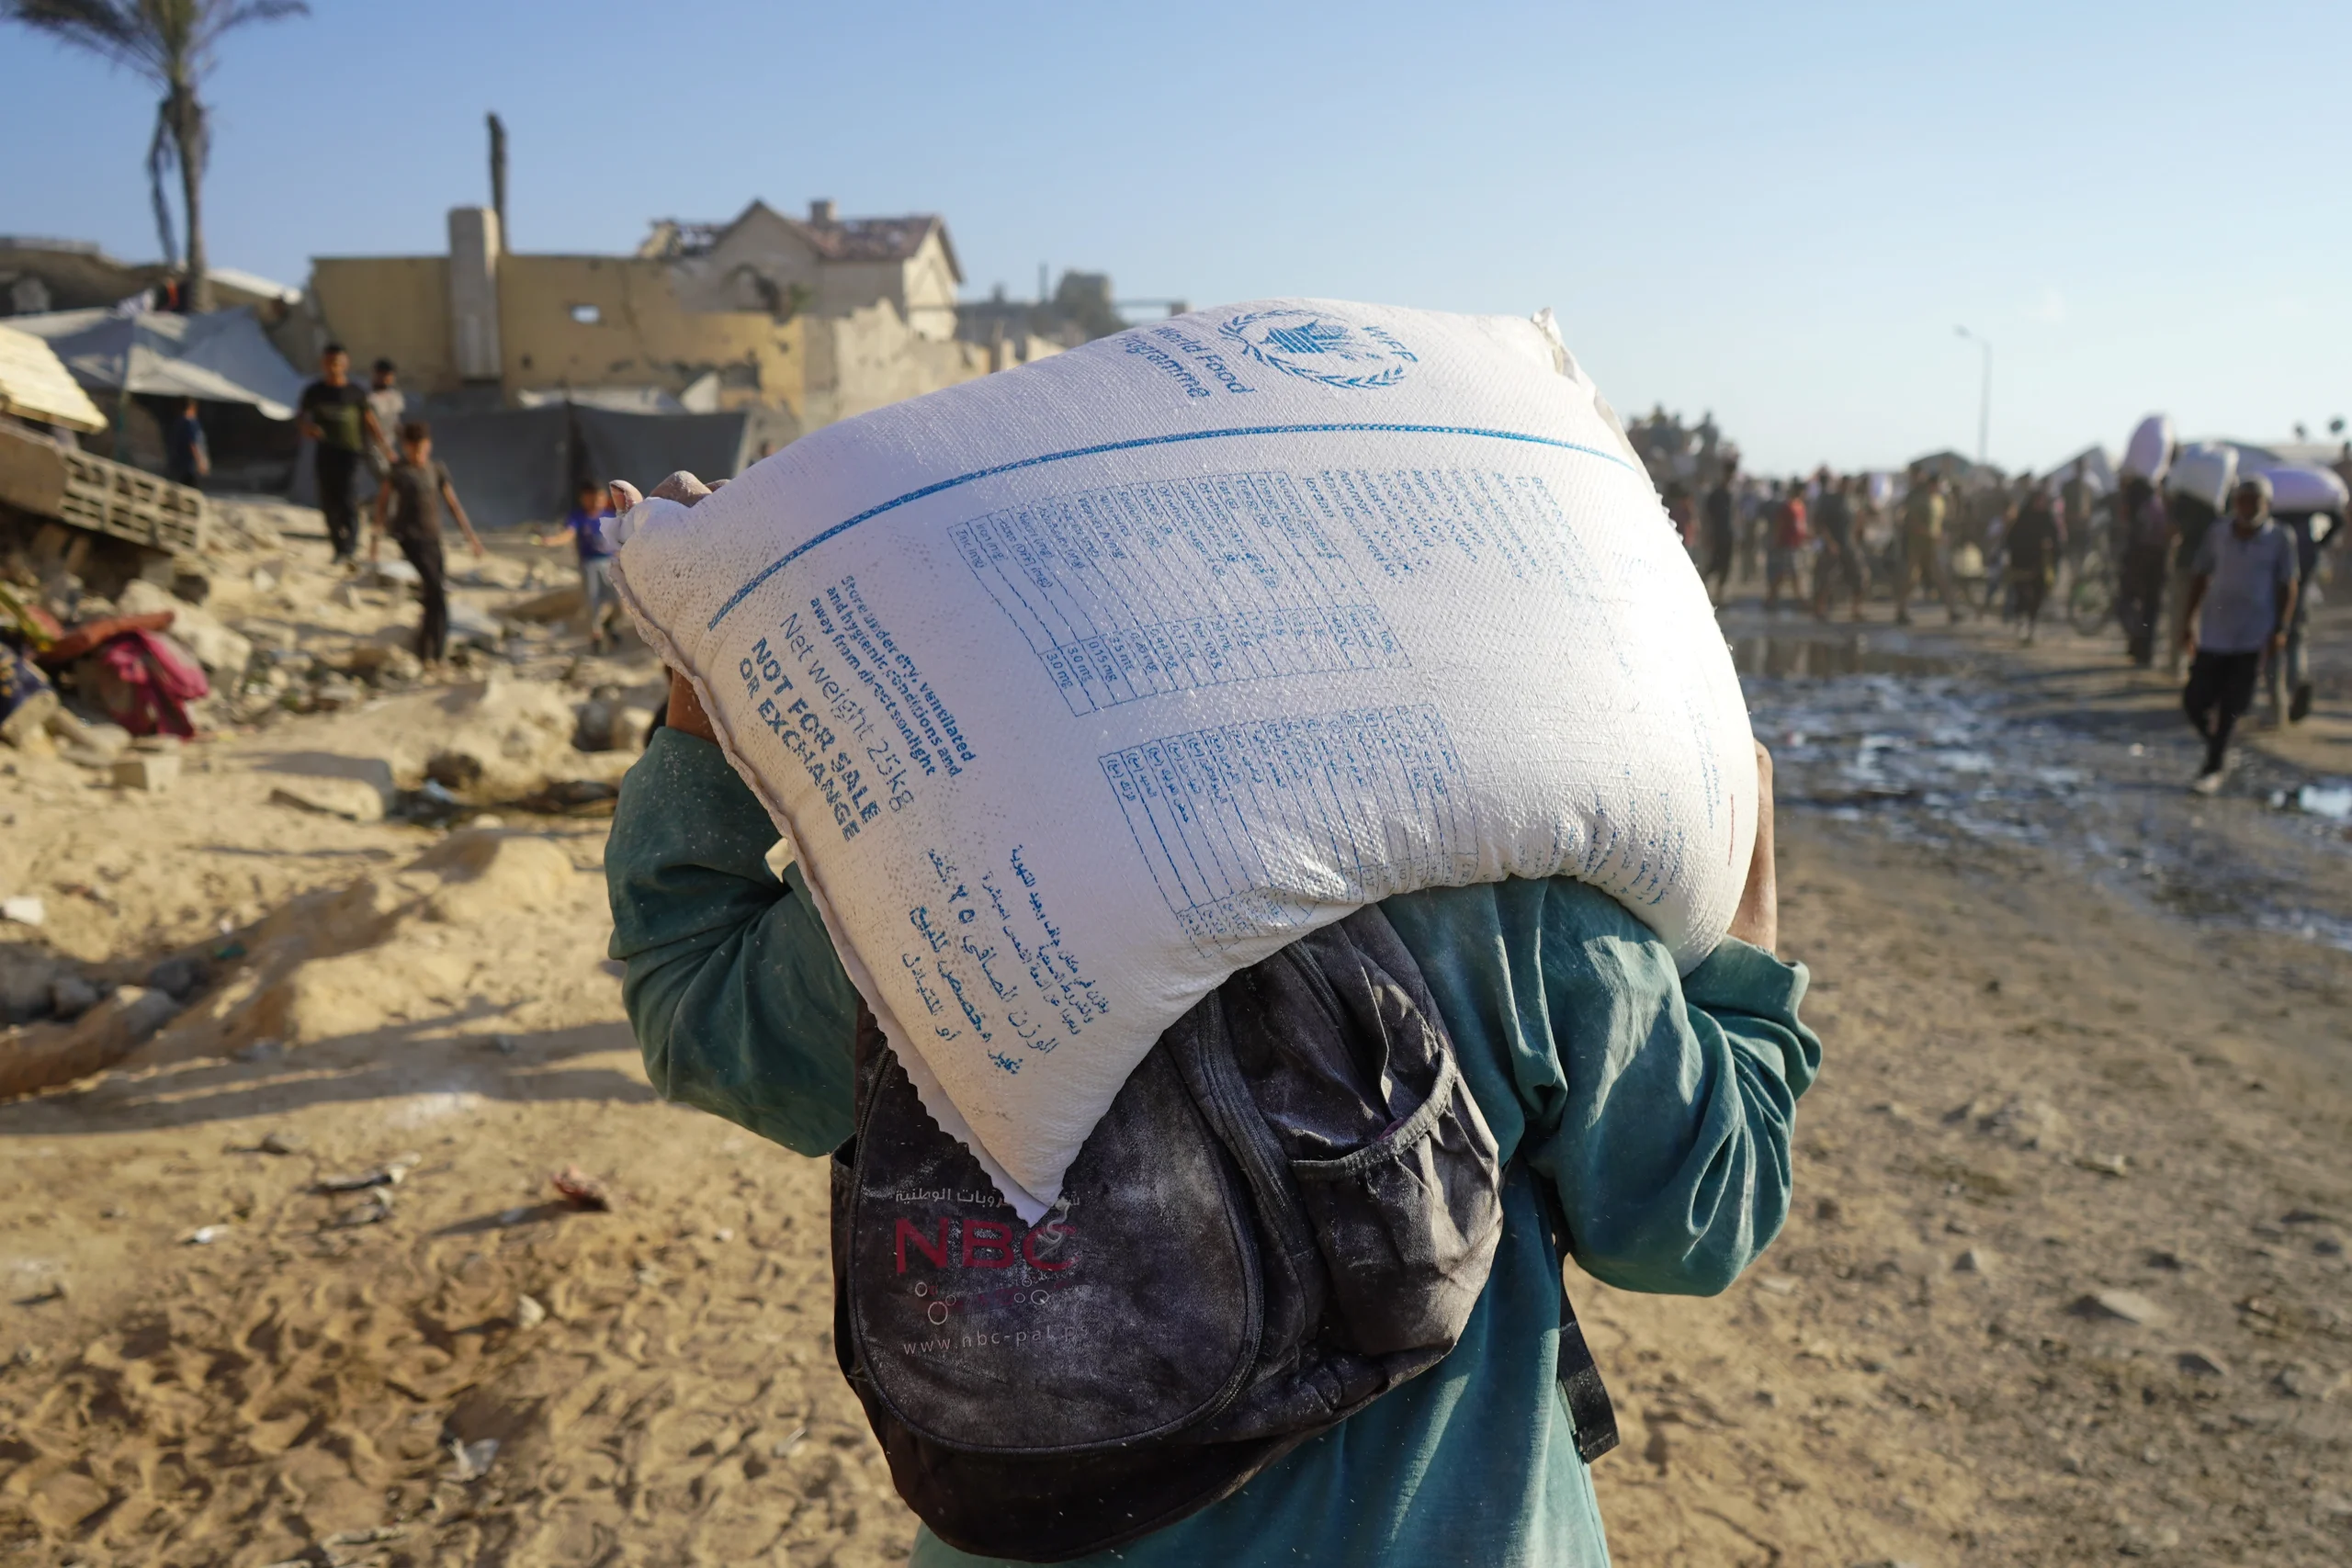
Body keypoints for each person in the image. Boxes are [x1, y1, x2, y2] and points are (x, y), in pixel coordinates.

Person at [605, 476, 1821, 1568]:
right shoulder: (1518, 900)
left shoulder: (944, 873)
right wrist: (1743, 967)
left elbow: (700, 1020)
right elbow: (1691, 1225)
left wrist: (705, 691)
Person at [2178, 475, 2297, 793]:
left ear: (2266, 505)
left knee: (2233, 703)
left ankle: (2213, 765)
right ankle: (2217, 747)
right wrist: (2188, 622)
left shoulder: (2279, 538)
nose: (2247, 508)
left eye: (2254, 502)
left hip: (2253, 634)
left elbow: (2288, 584)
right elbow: (2200, 575)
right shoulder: (2218, 533)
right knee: (2194, 700)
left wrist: (2280, 628)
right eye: (2242, 501)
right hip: (2215, 631)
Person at [371, 421, 484, 669]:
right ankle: (429, 653)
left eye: (422, 449)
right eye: (414, 449)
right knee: (436, 591)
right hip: (409, 538)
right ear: (406, 447)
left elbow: (453, 505)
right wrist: (375, 539)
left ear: (429, 446)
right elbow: (382, 503)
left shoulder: (436, 470)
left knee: (436, 594)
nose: (418, 454)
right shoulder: (398, 472)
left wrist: (471, 537)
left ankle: (433, 651)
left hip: (433, 538)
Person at [297, 344, 396, 566]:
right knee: (328, 500)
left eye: (338, 363)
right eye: (329, 363)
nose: (334, 367)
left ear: (345, 364)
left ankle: (350, 547)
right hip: (325, 452)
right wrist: (307, 429)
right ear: (323, 364)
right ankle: (338, 546)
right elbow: (301, 417)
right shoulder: (315, 392)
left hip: (351, 453)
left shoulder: (356, 393)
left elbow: (370, 421)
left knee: (348, 498)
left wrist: (385, 448)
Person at [534, 479, 625, 654]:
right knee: (593, 601)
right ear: (583, 498)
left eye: (599, 497)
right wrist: (551, 541)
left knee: (618, 601)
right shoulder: (578, 517)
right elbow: (568, 534)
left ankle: (610, 625)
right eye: (592, 498)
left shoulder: (610, 517)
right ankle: (596, 636)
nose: (596, 502)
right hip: (589, 564)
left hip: (611, 563)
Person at [2162, 477, 2224, 680]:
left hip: (2186, 564)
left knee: (2180, 614)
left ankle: (2177, 664)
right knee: (2205, 617)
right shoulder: (2217, 503)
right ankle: (2199, 665)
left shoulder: (2183, 502)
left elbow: (2172, 530)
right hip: (2211, 568)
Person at [2111, 475, 2170, 667]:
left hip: (2141, 561)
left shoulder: (2144, 508)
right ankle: (2142, 649)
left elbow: (2138, 534)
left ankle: (2139, 643)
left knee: (2127, 603)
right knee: (2149, 608)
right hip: (2155, 562)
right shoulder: (2157, 504)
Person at [2002, 478, 2064, 646]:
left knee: (2038, 596)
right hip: (2022, 564)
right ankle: (2021, 624)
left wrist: (2050, 546)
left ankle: (2031, 626)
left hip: (2040, 565)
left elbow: (2057, 541)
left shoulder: (2047, 518)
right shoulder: (2023, 518)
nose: (2040, 504)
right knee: (2022, 595)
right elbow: (2011, 539)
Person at [1894, 470, 1958, 625]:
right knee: (1911, 579)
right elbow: (1911, 522)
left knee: (1942, 578)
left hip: (1932, 547)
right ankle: (1901, 611)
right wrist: (1931, 534)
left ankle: (1952, 611)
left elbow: (1940, 522)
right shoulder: (1919, 500)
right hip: (1917, 546)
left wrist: (1942, 535)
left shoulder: (1939, 501)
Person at [1810, 469, 1865, 622]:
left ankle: (1856, 610)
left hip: (1849, 544)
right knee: (1826, 579)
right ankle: (1819, 609)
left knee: (1860, 576)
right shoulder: (1830, 501)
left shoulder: (1852, 501)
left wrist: (1857, 537)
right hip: (1833, 544)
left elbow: (1858, 520)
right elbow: (1820, 523)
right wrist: (1829, 542)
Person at [1765, 478, 1809, 612]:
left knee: (1789, 573)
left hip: (1796, 545)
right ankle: (1796, 599)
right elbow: (1779, 525)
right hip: (1786, 544)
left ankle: (1774, 598)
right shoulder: (1787, 507)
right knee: (1790, 573)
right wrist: (1776, 541)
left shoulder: (1800, 506)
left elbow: (1801, 526)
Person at [1701, 463, 1737, 604]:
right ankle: (1702, 587)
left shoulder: (1731, 493)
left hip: (1729, 534)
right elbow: (1708, 516)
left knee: (1726, 566)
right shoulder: (1716, 494)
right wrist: (1707, 534)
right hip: (1717, 534)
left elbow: (1735, 515)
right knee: (1714, 564)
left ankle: (1720, 593)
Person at [162, 397, 209, 488]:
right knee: (190, 489)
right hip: (189, 466)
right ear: (192, 407)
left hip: (178, 464)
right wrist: (200, 462)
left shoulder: (178, 423)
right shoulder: (190, 423)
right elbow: (193, 444)